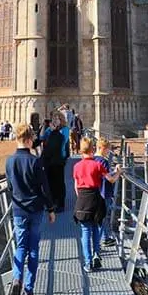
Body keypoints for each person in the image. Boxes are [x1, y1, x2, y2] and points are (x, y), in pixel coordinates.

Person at [5, 122, 56, 295]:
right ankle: (28, 293)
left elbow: (10, 186)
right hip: (35, 210)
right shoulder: (35, 161)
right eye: (33, 139)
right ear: (27, 140)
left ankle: (16, 278)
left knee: (20, 246)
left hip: (18, 210)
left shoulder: (9, 161)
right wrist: (51, 209)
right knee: (33, 250)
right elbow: (45, 188)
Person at [73, 137, 119, 273]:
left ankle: (87, 262)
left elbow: (76, 187)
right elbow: (110, 179)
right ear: (93, 149)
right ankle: (96, 255)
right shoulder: (97, 165)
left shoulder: (76, 166)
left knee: (85, 232)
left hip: (82, 200)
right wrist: (118, 172)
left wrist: (81, 198)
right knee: (96, 229)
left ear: (81, 150)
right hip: (96, 199)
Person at [38, 116, 69, 211]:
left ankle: (60, 204)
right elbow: (41, 137)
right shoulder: (49, 130)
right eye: (53, 119)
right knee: (50, 182)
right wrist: (45, 127)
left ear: (61, 120)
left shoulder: (64, 130)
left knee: (59, 182)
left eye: (57, 119)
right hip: (49, 160)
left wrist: (54, 130)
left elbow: (64, 140)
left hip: (59, 159)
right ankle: (52, 202)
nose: (55, 121)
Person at [95, 138, 118, 247]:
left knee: (100, 216)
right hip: (105, 191)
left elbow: (104, 174)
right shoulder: (103, 161)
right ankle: (101, 241)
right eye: (107, 149)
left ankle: (105, 237)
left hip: (97, 191)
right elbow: (110, 179)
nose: (108, 151)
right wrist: (118, 172)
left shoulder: (94, 159)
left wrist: (113, 172)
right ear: (102, 148)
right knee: (103, 217)